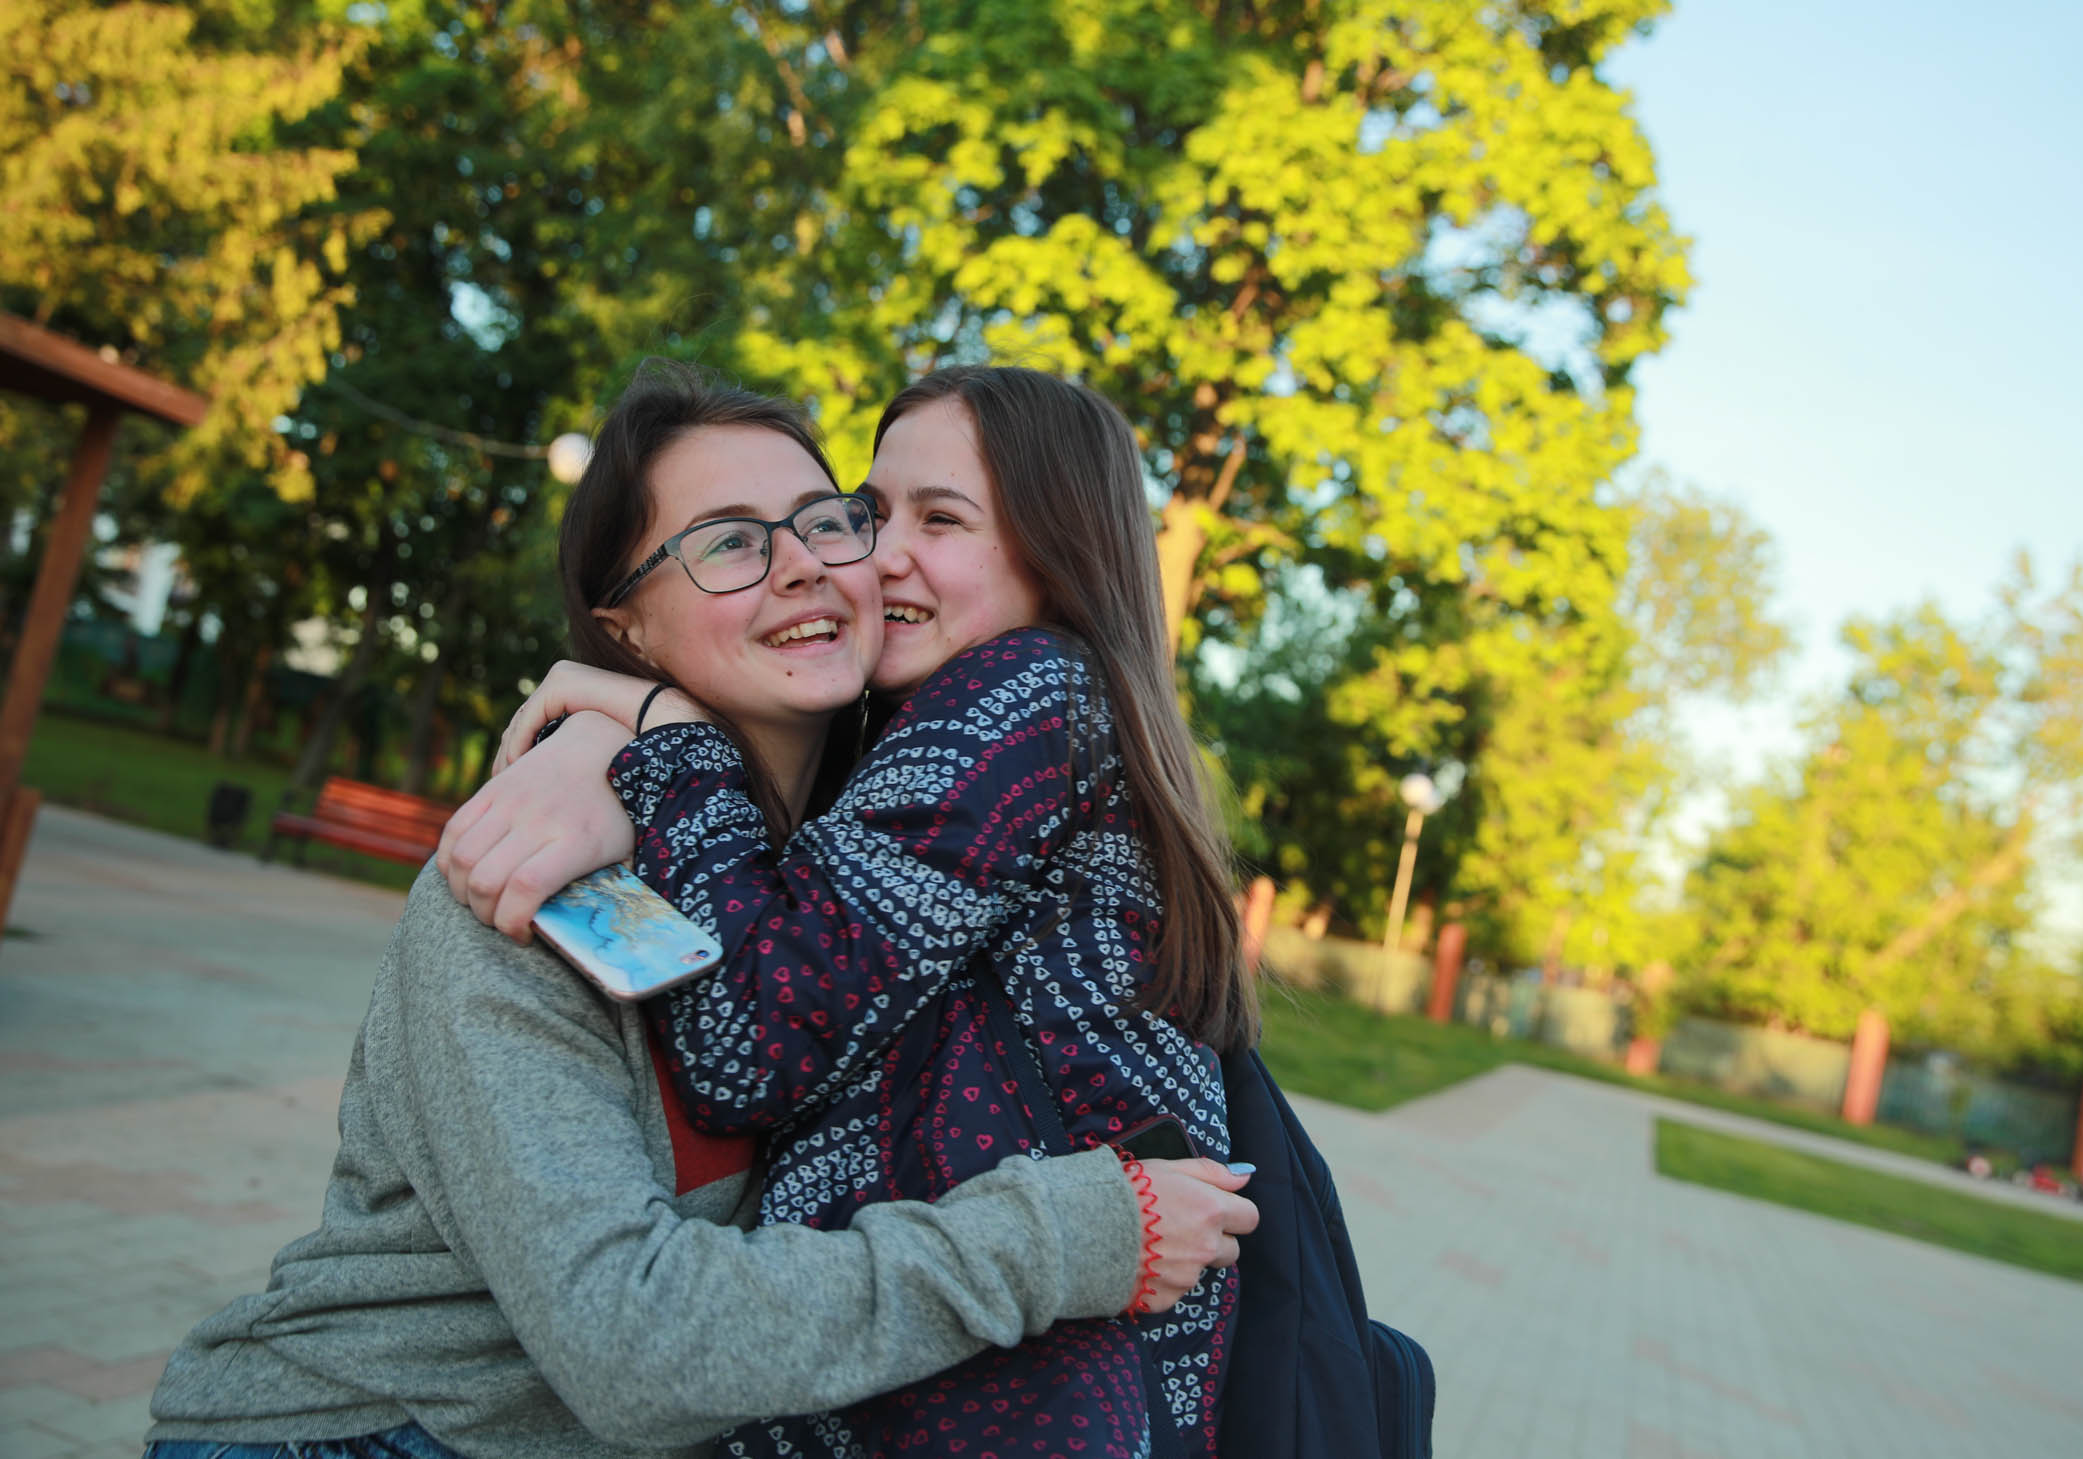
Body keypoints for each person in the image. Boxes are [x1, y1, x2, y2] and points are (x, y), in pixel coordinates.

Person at [142, 368, 1257, 1459]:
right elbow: (632, 1340)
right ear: (625, 627)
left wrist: (626, 724)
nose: (806, 564)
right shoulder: (531, 883)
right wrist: (1065, 1236)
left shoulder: (892, 883)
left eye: (826, 522)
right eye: (727, 543)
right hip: (376, 1431)